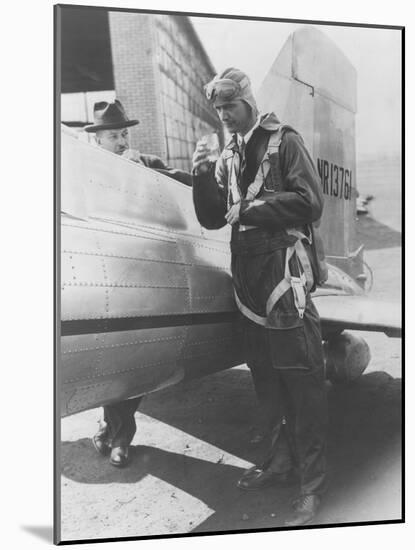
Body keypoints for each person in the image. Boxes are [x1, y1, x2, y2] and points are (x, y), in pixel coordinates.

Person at [192, 68, 328, 526]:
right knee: (265, 377)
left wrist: (251, 207)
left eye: (230, 106)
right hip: (246, 274)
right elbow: (214, 220)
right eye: (218, 108)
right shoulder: (228, 154)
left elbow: (310, 202)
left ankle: (312, 486)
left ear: (248, 100)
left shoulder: (283, 140)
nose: (225, 115)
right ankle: (280, 463)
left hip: (283, 273)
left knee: (301, 380)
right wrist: (200, 175)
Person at [84, 100, 191, 467]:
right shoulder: (83, 170)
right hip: (106, 274)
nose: (119, 140)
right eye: (112, 135)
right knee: (110, 359)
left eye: (122, 134)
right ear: (96, 139)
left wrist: (137, 175)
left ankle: (117, 437)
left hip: (144, 276)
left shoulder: (143, 163)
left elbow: (183, 183)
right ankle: (108, 428)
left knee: (132, 360)